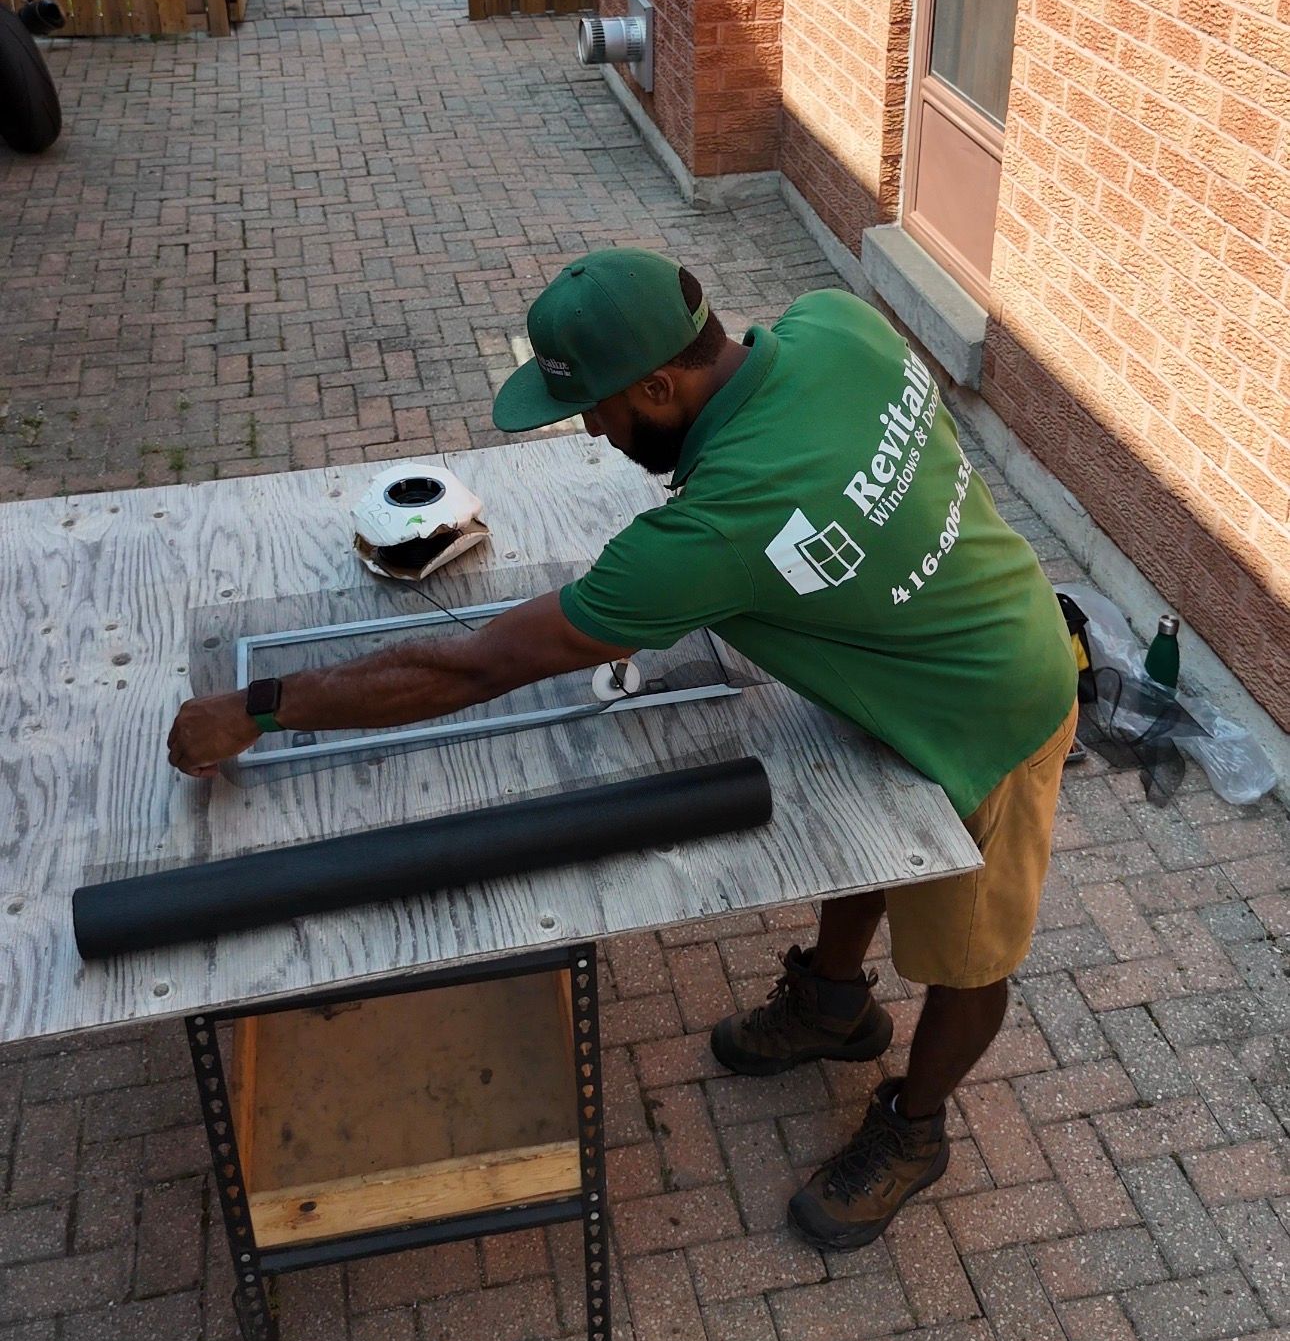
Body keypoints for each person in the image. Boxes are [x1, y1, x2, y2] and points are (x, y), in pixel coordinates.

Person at [169, 249, 1077, 1249]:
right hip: (913, 643)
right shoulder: (836, 321)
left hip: (993, 708)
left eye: (594, 408)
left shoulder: (711, 535)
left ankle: (916, 1123)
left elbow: (474, 670)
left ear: (659, 384)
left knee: (971, 954)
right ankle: (830, 1002)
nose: (594, 432)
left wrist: (263, 703)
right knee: (872, 824)